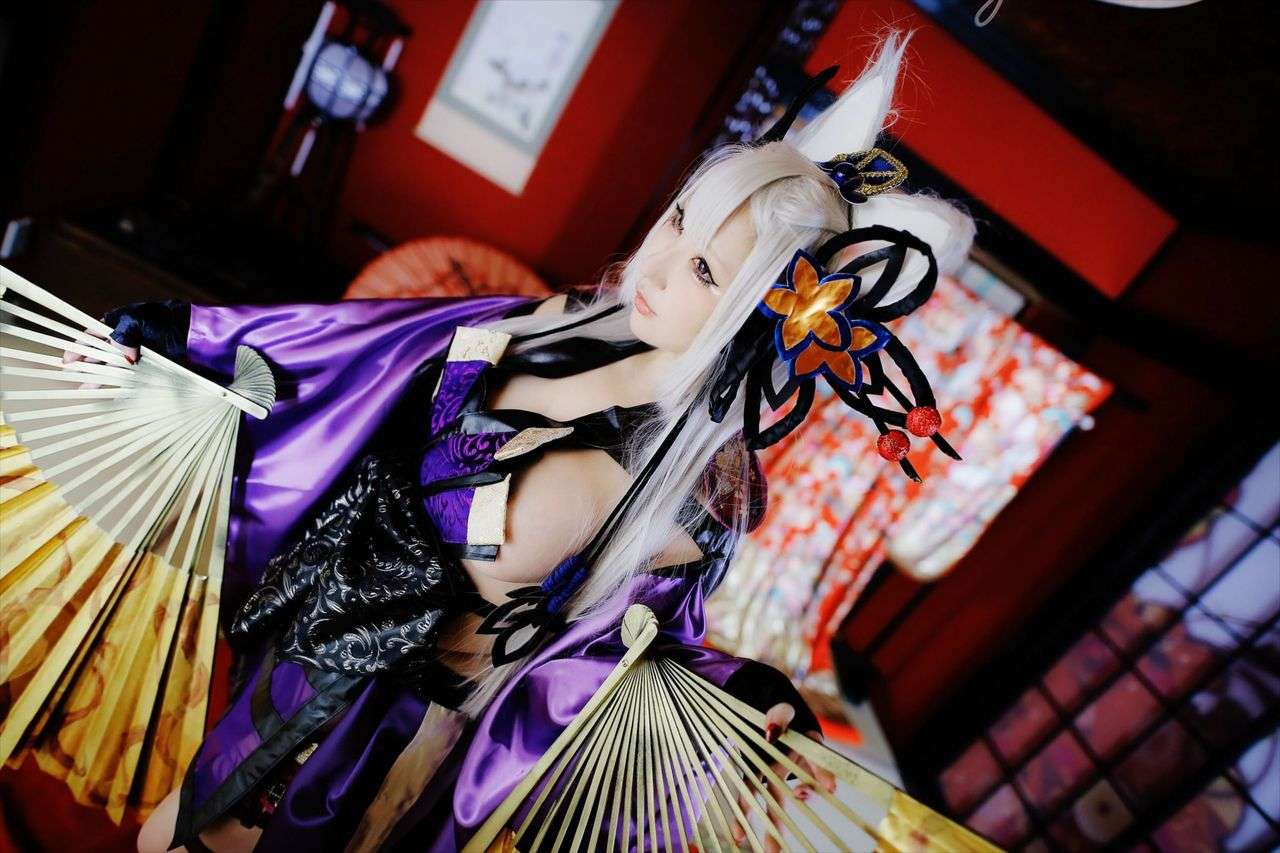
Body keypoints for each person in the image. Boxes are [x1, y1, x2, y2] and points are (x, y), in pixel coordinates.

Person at [86, 30, 974, 852]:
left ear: (757, 318)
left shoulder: (689, 501)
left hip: (366, 749)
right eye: (679, 220)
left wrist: (748, 702)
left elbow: (631, 664)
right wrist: (196, 342)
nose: (661, 264)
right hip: (299, 635)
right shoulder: (568, 321)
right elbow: (369, 352)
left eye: (707, 269)